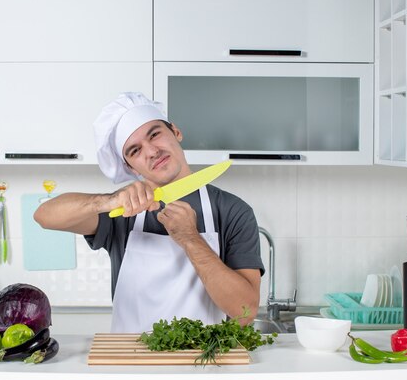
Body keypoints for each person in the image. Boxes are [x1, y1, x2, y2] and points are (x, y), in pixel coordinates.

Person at [34, 92, 264, 333]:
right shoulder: (123, 210)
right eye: (134, 151)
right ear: (129, 167)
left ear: (175, 131)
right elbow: (44, 215)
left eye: (155, 134)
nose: (152, 151)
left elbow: (244, 312)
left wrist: (191, 238)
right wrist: (107, 200)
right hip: (131, 362)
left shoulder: (232, 211)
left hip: (203, 364)